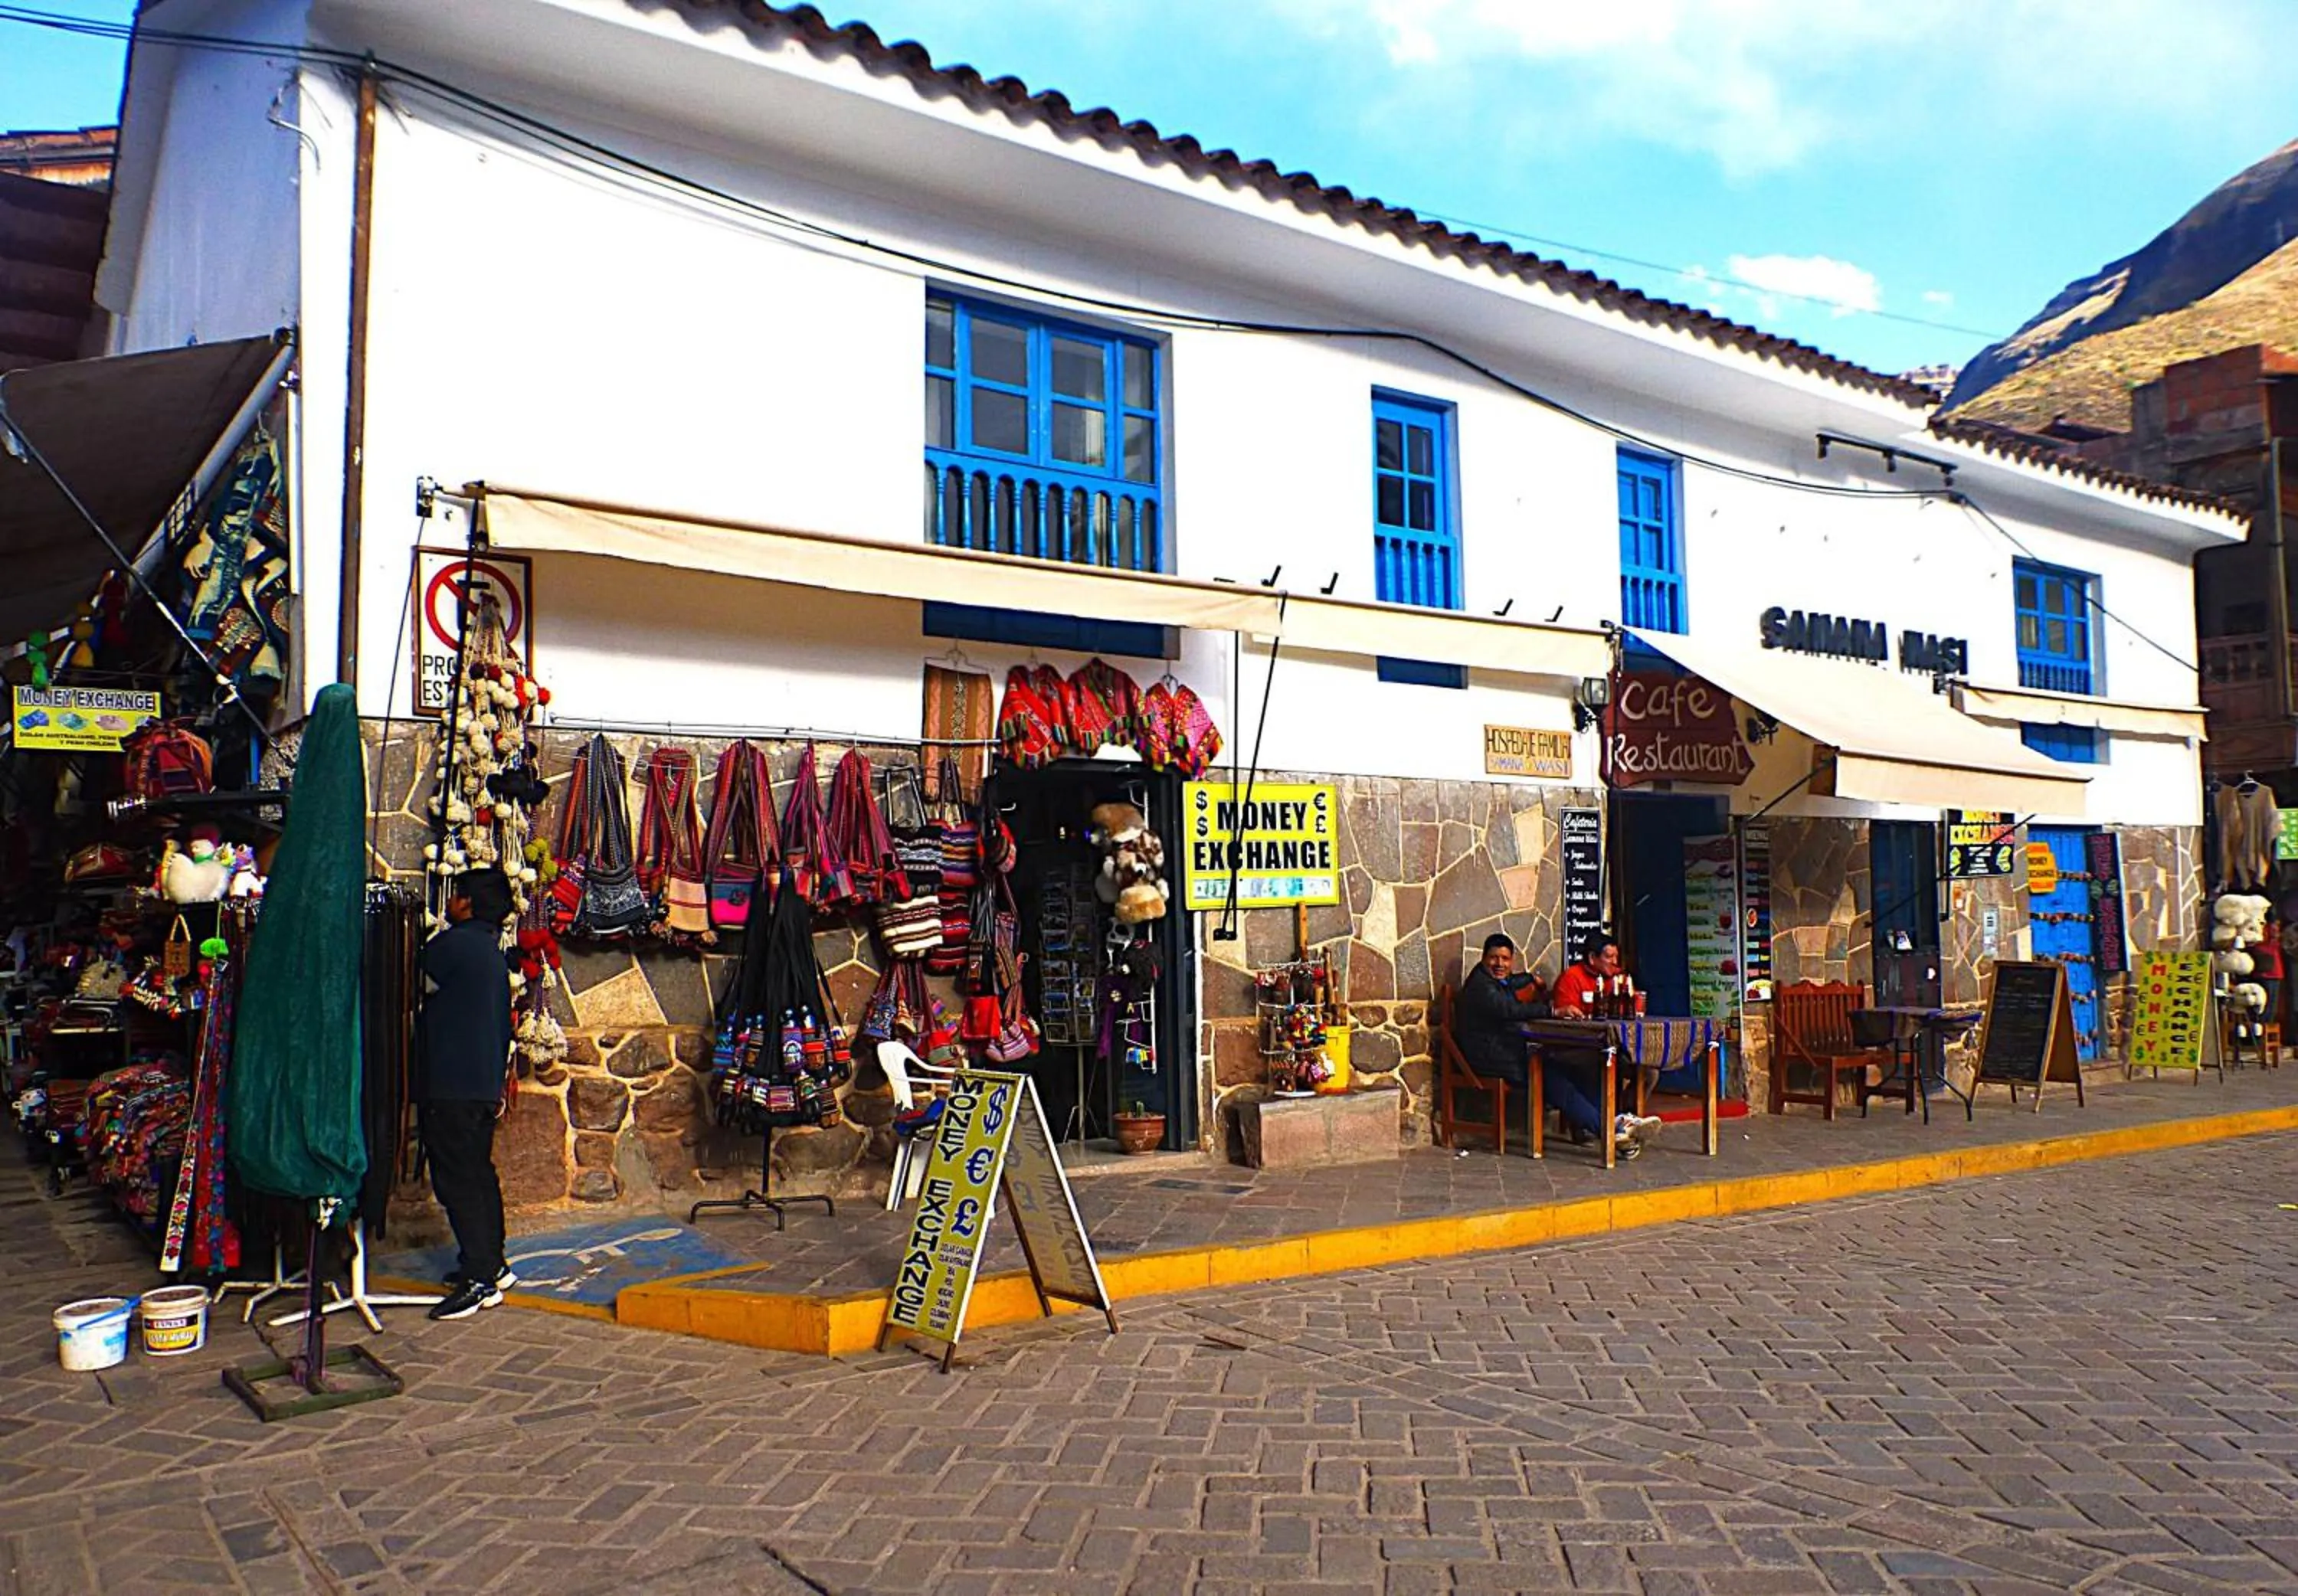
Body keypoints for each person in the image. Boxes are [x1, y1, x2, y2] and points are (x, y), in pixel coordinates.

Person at [1455, 933, 1659, 1157]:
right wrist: (1553, 1011)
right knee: (1553, 1078)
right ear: (1484, 959)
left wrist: (1531, 978)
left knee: (1581, 1067)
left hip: (1509, 1051)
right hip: (1490, 1056)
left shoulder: (1497, 980)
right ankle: (1613, 1127)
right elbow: (1508, 1009)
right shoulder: (1481, 986)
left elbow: (1513, 980)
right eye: (1494, 958)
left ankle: (1616, 1127)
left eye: (1505, 959)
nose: (1500, 964)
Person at [420, 867, 518, 1321]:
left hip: (452, 1084)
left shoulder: (454, 945)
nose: (450, 903)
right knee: (478, 1175)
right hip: (480, 1084)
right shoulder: (490, 952)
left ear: (467, 904)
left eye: (456, 896)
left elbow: (412, 973)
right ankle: (491, 1264)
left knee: (457, 1180)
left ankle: (480, 1278)